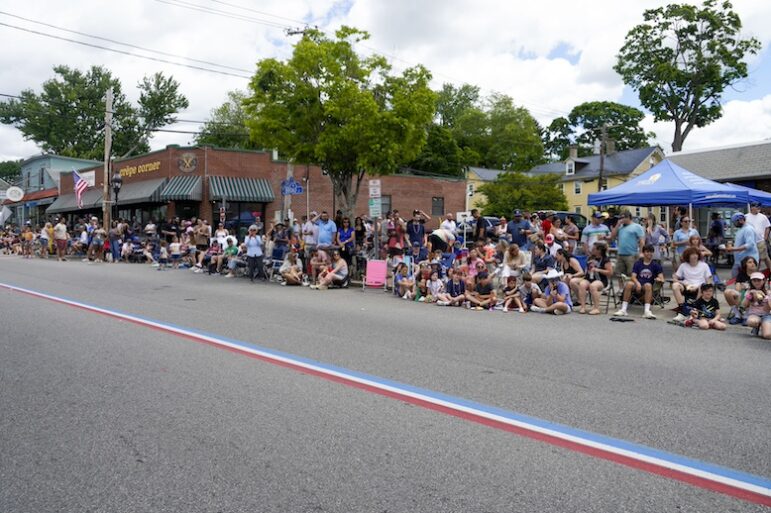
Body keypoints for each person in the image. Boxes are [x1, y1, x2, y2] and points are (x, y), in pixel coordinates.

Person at [613, 244, 663, 319]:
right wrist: (638, 284)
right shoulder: (638, 263)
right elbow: (633, 277)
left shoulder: (656, 265)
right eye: (647, 252)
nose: (649, 253)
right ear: (643, 253)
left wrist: (659, 279)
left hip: (648, 287)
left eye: (651, 252)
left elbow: (662, 278)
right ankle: (623, 309)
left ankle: (647, 311)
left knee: (648, 285)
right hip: (637, 284)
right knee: (629, 284)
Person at [672, 247, 712, 322]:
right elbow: (675, 277)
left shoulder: (704, 265)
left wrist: (707, 285)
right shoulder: (683, 265)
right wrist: (677, 280)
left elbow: (709, 279)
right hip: (687, 285)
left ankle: (694, 309)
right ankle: (683, 310)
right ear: (688, 256)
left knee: (702, 286)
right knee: (675, 286)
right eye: (692, 254)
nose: (695, 256)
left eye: (696, 254)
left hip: (700, 286)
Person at [574, 242, 613, 315]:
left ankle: (596, 308)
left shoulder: (605, 259)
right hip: (589, 278)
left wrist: (598, 270)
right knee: (582, 284)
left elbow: (610, 272)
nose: (592, 249)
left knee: (593, 286)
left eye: (594, 249)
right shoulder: (591, 257)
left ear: (599, 250)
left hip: (601, 280)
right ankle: (583, 307)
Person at [610, 211, 645, 288]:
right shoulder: (620, 227)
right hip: (620, 254)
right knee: (619, 273)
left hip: (631, 254)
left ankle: (631, 290)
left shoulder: (636, 227)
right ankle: (621, 290)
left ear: (628, 217)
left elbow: (642, 240)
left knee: (631, 273)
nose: (621, 220)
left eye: (622, 218)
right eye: (620, 218)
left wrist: (641, 252)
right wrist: (617, 225)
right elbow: (612, 236)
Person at [724, 213, 760, 277]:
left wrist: (733, 249)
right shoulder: (741, 229)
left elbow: (750, 244)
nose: (734, 224)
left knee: (749, 280)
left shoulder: (748, 229)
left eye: (735, 222)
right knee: (736, 278)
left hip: (748, 261)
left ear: (741, 220)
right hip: (740, 260)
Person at [724, 256, 757, 323]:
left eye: (753, 262)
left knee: (749, 293)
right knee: (727, 292)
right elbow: (737, 288)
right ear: (745, 264)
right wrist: (744, 287)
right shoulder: (741, 274)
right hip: (741, 296)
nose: (752, 264)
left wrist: (745, 287)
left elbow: (758, 288)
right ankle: (737, 315)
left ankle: (746, 315)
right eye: (750, 262)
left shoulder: (758, 275)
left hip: (753, 297)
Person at [742, 272, 771, 339]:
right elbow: (744, 305)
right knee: (752, 321)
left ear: (763, 281)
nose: (756, 282)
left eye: (759, 280)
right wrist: (750, 295)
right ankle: (756, 327)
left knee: (767, 335)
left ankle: (764, 327)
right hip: (754, 315)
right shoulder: (749, 291)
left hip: (766, 315)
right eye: (754, 280)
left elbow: (767, 309)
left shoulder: (768, 292)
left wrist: (765, 297)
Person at [744, 203, 771, 271]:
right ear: (752, 208)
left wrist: (765, 237)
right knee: (753, 258)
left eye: (758, 207)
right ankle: (755, 272)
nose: (758, 208)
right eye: (756, 207)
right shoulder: (746, 216)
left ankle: (757, 272)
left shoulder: (763, 217)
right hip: (750, 241)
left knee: (763, 257)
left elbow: (767, 227)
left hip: (760, 241)